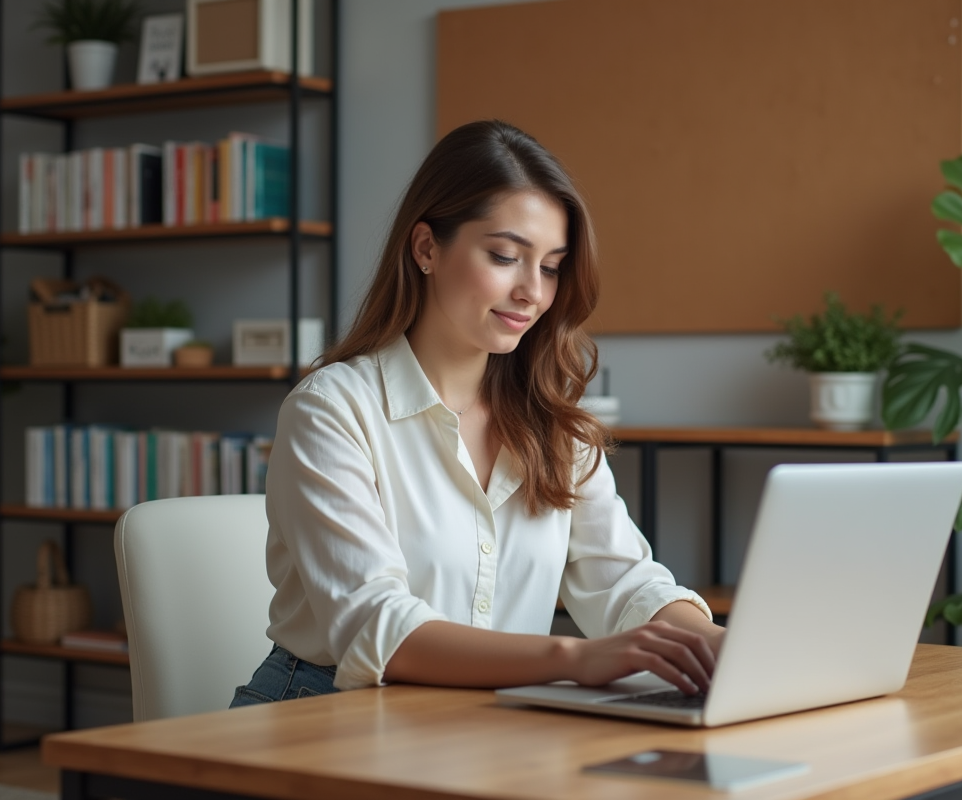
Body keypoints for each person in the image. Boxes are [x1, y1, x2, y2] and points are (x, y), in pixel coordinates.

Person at [230, 120, 723, 708]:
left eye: (550, 266)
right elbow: (378, 627)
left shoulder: (554, 424)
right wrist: (573, 658)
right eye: (505, 256)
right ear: (426, 248)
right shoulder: (331, 410)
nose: (533, 293)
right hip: (323, 714)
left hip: (485, 716)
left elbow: (625, 583)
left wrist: (727, 647)